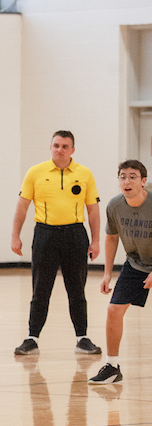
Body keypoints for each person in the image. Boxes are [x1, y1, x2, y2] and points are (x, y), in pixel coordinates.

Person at [11, 130, 102, 356]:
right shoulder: (36, 173)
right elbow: (22, 206)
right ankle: (32, 338)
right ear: (50, 147)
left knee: (76, 289)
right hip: (45, 235)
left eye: (64, 146)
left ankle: (82, 338)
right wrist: (15, 235)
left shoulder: (85, 174)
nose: (59, 150)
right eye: (56, 145)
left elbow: (93, 210)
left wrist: (96, 240)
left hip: (75, 235)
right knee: (40, 289)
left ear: (72, 150)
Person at [89, 160, 152, 384]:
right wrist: (107, 273)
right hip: (136, 263)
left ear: (143, 181)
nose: (127, 181)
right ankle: (112, 366)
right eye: (123, 176)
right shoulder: (115, 205)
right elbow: (112, 237)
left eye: (132, 177)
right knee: (114, 311)